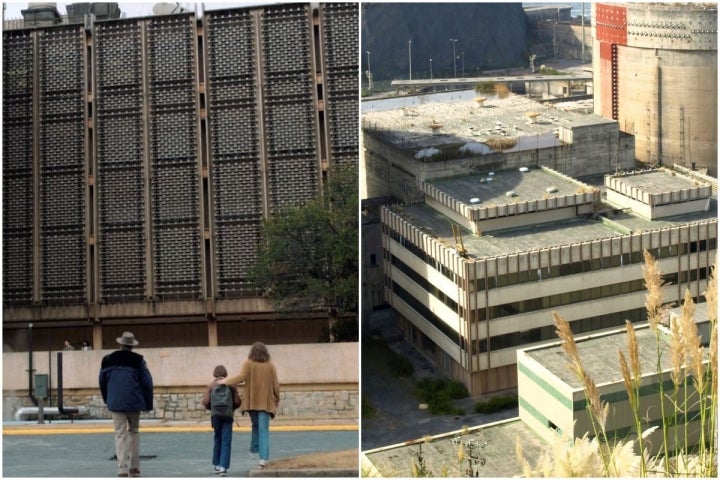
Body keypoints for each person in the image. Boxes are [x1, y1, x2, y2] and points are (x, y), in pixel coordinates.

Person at [99, 332, 154, 477]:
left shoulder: (107, 360)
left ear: (120, 344)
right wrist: (148, 404)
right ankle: (134, 468)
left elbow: (102, 382)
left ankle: (122, 468)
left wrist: (107, 399)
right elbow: (147, 383)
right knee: (134, 432)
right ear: (132, 346)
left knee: (119, 434)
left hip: (115, 402)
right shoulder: (139, 361)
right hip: (134, 402)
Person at [219, 342, 280, 468]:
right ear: (265, 352)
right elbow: (275, 384)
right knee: (263, 429)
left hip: (251, 403)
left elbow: (241, 377)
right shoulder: (270, 366)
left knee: (255, 426)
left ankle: (254, 448)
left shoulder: (248, 364)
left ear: (252, 352)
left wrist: (226, 382)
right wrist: (277, 397)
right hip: (265, 403)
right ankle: (263, 458)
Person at [201, 365, 241, 476]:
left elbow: (205, 402)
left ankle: (216, 465)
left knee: (217, 439)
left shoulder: (211, 386)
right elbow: (237, 401)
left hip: (216, 416)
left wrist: (213, 408)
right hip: (228, 416)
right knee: (226, 441)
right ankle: (223, 467)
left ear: (214, 374)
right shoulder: (231, 386)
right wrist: (231, 407)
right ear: (225, 373)